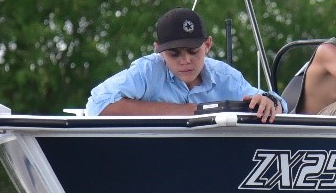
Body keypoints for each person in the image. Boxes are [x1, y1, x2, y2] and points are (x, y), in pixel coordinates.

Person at [85, 7, 284, 119]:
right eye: (174, 54)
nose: (186, 60)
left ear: (207, 45)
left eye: (193, 51)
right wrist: (187, 111)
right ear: (158, 51)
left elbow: (278, 103)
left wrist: (269, 102)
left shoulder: (225, 76)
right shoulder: (147, 71)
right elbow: (97, 104)